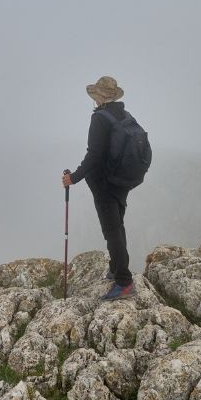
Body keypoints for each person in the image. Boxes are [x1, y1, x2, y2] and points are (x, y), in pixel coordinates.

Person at [62, 75, 135, 301]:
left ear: (98, 97)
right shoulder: (123, 114)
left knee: (111, 230)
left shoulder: (100, 119)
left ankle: (124, 282)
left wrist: (73, 178)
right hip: (122, 180)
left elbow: (93, 155)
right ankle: (116, 268)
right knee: (117, 225)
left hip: (105, 183)